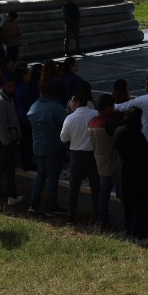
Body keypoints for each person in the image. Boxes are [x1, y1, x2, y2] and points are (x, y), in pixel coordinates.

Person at [114, 106, 148, 243]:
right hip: (137, 173)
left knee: (127, 206)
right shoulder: (137, 134)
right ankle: (140, 234)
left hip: (123, 170)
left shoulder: (119, 131)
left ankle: (129, 231)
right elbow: (145, 153)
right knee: (140, 205)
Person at [27, 79, 68, 216]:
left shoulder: (34, 107)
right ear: (53, 94)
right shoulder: (57, 108)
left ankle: (33, 204)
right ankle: (51, 206)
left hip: (37, 146)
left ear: (40, 93)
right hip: (53, 146)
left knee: (41, 173)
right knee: (52, 177)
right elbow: (66, 125)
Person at [0, 72, 24, 210]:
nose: (12, 89)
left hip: (9, 140)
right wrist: (8, 142)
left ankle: (12, 196)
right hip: (4, 142)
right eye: (9, 87)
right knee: (0, 169)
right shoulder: (0, 101)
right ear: (3, 86)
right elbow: (0, 124)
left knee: (9, 169)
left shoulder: (7, 98)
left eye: (13, 86)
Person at [60, 90, 98, 223]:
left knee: (74, 187)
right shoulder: (95, 114)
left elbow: (63, 138)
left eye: (72, 101)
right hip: (92, 154)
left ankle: (71, 216)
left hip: (76, 155)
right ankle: (99, 215)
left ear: (76, 102)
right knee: (95, 186)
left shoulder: (70, 118)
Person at [88, 94, 121, 231]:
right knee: (118, 192)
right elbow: (120, 138)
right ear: (107, 107)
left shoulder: (92, 122)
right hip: (111, 161)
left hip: (97, 159)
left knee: (103, 193)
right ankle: (106, 220)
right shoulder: (109, 123)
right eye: (112, 107)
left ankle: (102, 218)